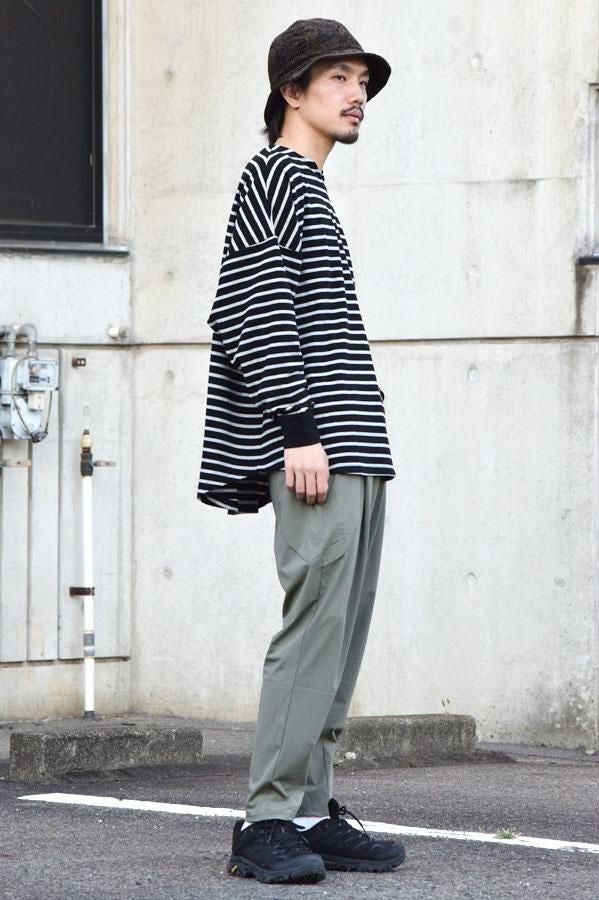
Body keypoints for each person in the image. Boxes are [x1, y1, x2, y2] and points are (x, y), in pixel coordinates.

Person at [197, 17, 405, 885]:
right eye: (338, 79)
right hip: (318, 442)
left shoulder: (310, 187)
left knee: (341, 635)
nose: (358, 96)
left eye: (363, 80)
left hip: (358, 442)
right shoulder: (274, 177)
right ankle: (266, 820)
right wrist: (297, 430)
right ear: (292, 91)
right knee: (311, 627)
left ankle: (312, 810)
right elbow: (249, 309)